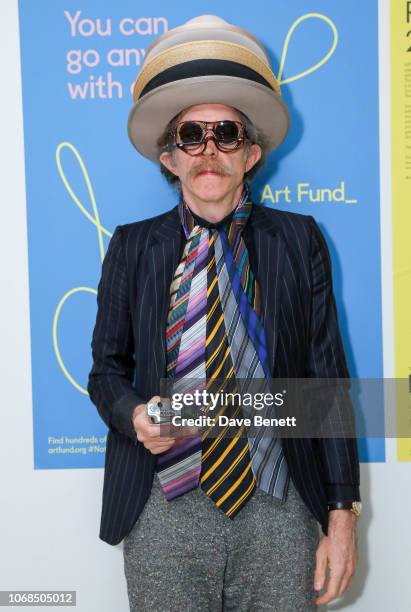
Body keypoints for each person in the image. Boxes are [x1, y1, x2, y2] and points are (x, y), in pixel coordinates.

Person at [87, 14, 361, 611]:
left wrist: (342, 516)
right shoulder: (132, 246)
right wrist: (134, 415)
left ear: (252, 152)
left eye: (226, 134)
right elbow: (105, 371)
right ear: (169, 157)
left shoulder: (299, 240)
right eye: (191, 135)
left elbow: (325, 384)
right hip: (164, 506)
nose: (209, 149)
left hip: (279, 504)